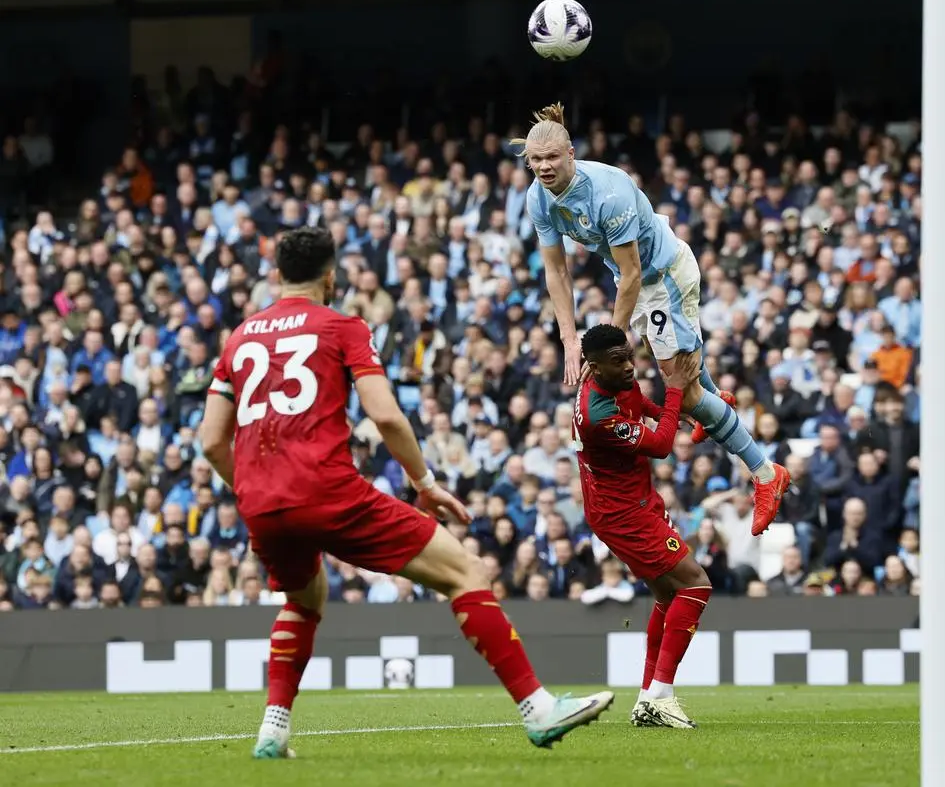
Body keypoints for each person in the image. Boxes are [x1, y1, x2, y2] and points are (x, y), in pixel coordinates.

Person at [198, 227, 612, 759]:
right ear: (330, 277)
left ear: (277, 275)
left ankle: (273, 732)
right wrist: (425, 484)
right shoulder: (342, 326)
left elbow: (211, 441)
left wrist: (252, 489)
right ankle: (537, 708)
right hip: (327, 489)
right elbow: (387, 416)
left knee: (304, 598)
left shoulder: (239, 338)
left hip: (260, 502)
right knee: (465, 572)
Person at [514, 104, 789, 535]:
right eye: (536, 160)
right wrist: (569, 339)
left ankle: (767, 474)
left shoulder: (608, 193)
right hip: (637, 284)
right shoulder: (537, 197)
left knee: (685, 389)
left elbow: (633, 274)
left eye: (552, 158)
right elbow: (556, 270)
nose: (544, 167)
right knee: (690, 380)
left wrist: (609, 346)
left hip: (663, 279)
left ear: (571, 153)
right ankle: (716, 402)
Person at [571, 323, 708, 729]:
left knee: (668, 594)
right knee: (695, 583)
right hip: (621, 513)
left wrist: (683, 412)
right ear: (593, 367)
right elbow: (662, 447)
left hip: (637, 499)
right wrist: (677, 390)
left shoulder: (615, 381)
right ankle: (661, 695)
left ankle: (648, 699)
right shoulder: (598, 415)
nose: (630, 367)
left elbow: (645, 410)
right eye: (619, 361)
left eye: (630, 355)